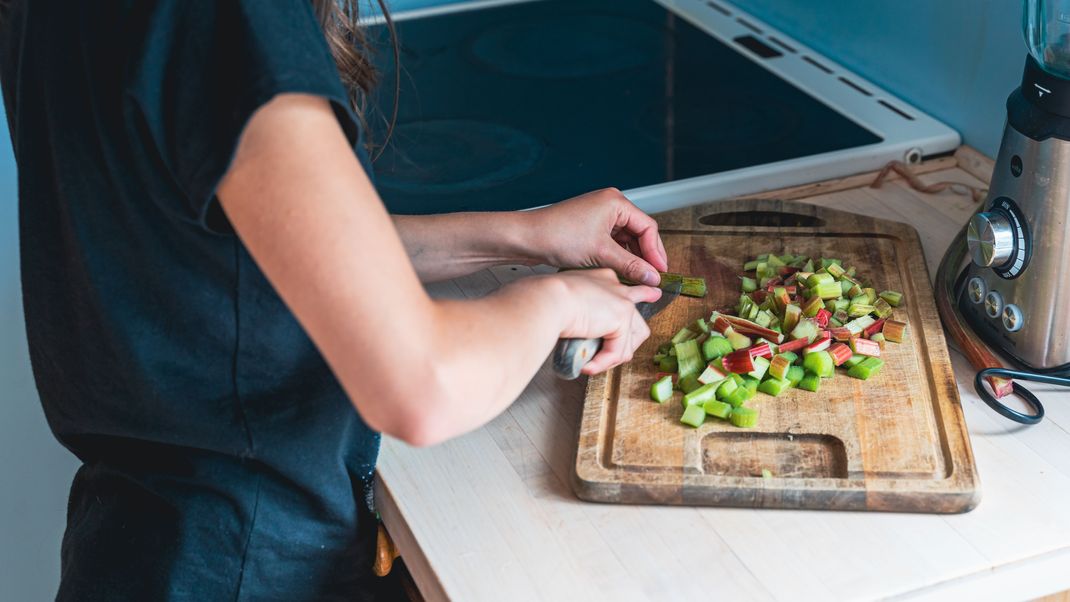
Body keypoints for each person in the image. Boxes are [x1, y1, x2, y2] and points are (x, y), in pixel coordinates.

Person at [0, 0, 668, 599]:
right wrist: (557, 304)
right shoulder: (226, 16)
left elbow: (268, 252)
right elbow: (422, 386)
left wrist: (522, 236)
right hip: (250, 561)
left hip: (140, 549)